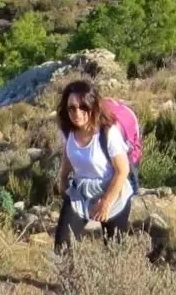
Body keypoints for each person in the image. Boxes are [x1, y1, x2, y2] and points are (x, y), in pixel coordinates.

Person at [52, 78, 133, 251]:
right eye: (72, 108)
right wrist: (63, 179)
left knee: (115, 251)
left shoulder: (108, 133)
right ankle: (67, 278)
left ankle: (118, 278)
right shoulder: (68, 131)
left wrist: (106, 202)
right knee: (62, 244)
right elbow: (69, 154)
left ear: (92, 106)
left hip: (112, 190)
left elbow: (122, 170)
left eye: (83, 107)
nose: (77, 113)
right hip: (81, 190)